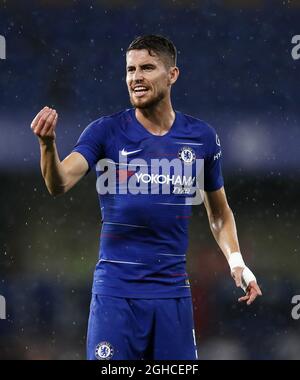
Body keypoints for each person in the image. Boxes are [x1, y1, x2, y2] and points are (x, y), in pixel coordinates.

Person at [30, 34, 262, 360]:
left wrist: (236, 263)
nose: (136, 77)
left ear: (172, 75)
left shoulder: (201, 138)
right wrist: (47, 145)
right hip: (115, 295)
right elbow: (59, 183)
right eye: (130, 70)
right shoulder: (105, 132)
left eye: (147, 68)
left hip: (172, 297)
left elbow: (219, 212)